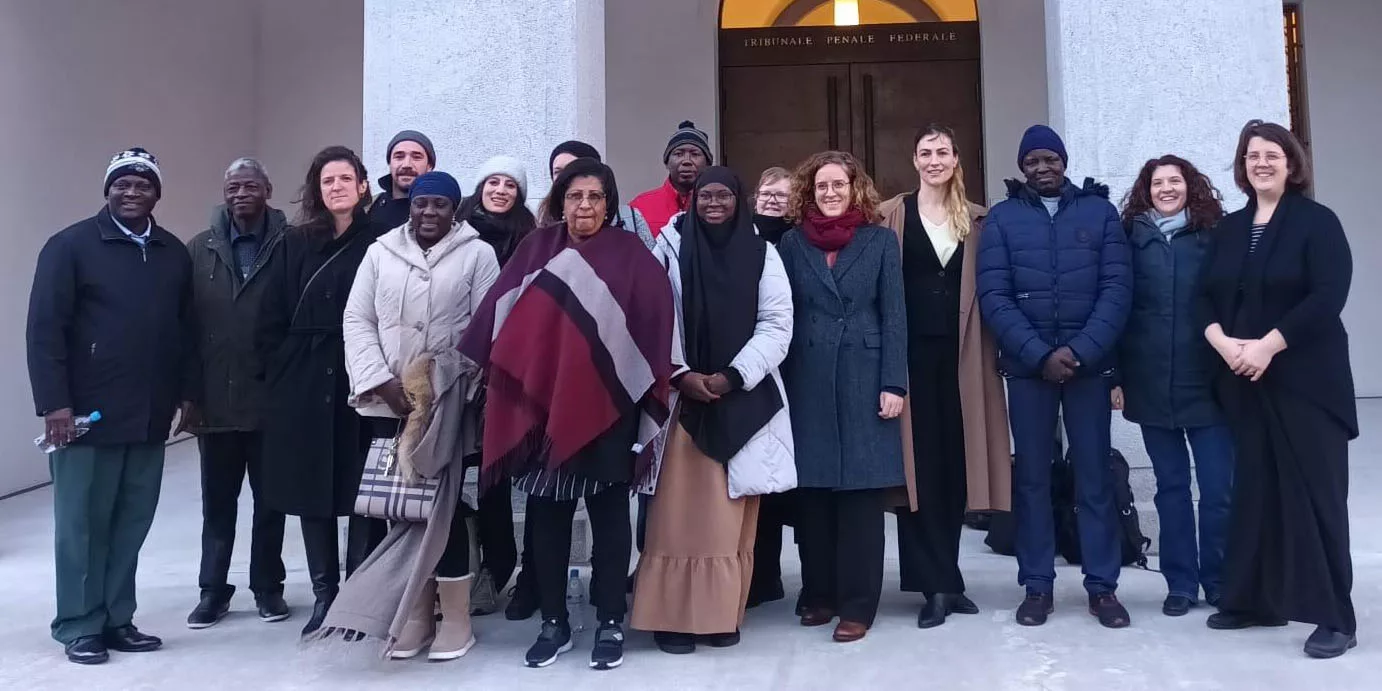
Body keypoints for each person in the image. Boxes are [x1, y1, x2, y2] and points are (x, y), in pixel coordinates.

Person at [458, 158, 673, 671]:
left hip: (609, 406)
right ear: (560, 201)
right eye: (575, 196)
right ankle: (552, 621)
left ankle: (611, 620)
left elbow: (654, 321)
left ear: (609, 203)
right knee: (547, 516)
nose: (585, 206)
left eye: (595, 197)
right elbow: (499, 316)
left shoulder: (631, 256)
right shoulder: (537, 249)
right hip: (539, 410)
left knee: (609, 516)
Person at [27, 147, 197, 665]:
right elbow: (44, 330)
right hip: (83, 418)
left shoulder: (172, 253)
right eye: (121, 183)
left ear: (157, 194)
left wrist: (186, 394)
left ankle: (117, 618)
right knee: (82, 522)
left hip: (147, 414)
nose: (131, 191)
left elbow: (185, 330)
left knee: (131, 520)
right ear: (107, 190)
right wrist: (55, 404)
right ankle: (79, 624)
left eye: (142, 184)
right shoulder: (70, 246)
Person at [1199, 120, 1358, 659]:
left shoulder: (1317, 223)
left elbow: (1328, 295)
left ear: (1292, 164)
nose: (1261, 163)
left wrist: (1268, 345)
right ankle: (1256, 600)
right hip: (1243, 380)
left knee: (1315, 498)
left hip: (1306, 381)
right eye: (1251, 156)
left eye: (1271, 155)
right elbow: (1207, 297)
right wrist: (1222, 342)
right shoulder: (1230, 227)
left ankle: (1335, 616)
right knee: (1257, 493)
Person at [331, 171, 499, 660]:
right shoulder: (381, 251)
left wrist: (451, 383)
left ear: (455, 210)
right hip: (390, 403)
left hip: (449, 404)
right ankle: (416, 614)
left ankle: (456, 618)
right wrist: (380, 379)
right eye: (421, 204)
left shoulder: (477, 253)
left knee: (445, 510)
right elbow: (356, 319)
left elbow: (488, 326)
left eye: (440, 206)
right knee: (399, 507)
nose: (428, 213)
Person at [632, 167, 796, 654]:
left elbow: (777, 324)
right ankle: (671, 620)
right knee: (677, 519)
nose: (714, 203)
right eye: (706, 195)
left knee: (727, 520)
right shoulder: (669, 247)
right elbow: (652, 316)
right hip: (682, 401)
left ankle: (721, 615)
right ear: (693, 200)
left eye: (724, 194)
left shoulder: (762, 254)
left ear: (739, 200)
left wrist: (733, 375)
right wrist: (682, 373)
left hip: (743, 398)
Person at [976, 124, 1132, 629]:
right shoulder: (1001, 220)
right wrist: (1039, 354)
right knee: (1034, 480)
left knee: (1094, 479)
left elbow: (1116, 289)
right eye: (1032, 162)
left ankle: (1102, 587)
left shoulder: (1099, 212)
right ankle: (1037, 584)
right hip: (1029, 371)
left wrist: (1081, 351)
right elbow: (993, 295)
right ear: (1022, 168)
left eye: (1051, 159)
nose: (1042, 168)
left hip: (1088, 369)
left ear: (1064, 161)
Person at [879, 125, 1011, 629]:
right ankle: (930, 586)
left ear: (957, 159)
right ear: (914, 161)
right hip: (908, 360)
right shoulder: (891, 215)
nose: (933, 160)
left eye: (942, 152)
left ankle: (949, 579)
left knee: (955, 469)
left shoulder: (979, 220)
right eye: (925, 153)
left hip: (963, 360)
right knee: (919, 473)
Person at [776, 151, 906, 643]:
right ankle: (819, 595)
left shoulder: (879, 241)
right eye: (822, 186)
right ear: (810, 192)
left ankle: (858, 604)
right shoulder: (791, 243)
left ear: (856, 190)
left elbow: (895, 314)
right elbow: (781, 312)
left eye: (839, 185)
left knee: (859, 500)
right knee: (814, 499)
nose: (831, 194)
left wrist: (895, 382)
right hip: (806, 377)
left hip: (864, 375)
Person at [256, 146, 384, 637]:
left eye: (345, 178)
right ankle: (325, 595)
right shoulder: (294, 242)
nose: (336, 187)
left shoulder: (382, 239)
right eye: (327, 180)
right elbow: (269, 319)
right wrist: (285, 371)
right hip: (304, 381)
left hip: (361, 378)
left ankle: (359, 597)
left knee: (361, 493)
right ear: (317, 188)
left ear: (363, 185)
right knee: (314, 492)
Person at [1111, 155, 1233, 617]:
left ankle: (1219, 579)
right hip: (1150, 381)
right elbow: (1119, 310)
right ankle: (1180, 583)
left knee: (1220, 490)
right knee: (1171, 489)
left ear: (1190, 186)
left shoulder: (1214, 232)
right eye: (1157, 182)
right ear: (1146, 190)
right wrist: (1117, 377)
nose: (1166, 188)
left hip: (1209, 383)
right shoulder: (1130, 237)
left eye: (1174, 181)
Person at [185, 158, 290, 629]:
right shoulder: (198, 250)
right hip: (217, 401)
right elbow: (183, 328)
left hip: (272, 401)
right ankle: (212, 591)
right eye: (233, 186)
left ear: (268, 189)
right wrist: (189, 394)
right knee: (218, 504)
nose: (240, 193)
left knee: (271, 503)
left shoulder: (291, 245)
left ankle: (268, 588)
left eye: (250, 185)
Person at [452, 155, 537, 615]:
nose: (500, 189)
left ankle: (498, 567)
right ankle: (450, 571)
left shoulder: (529, 241)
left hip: (505, 375)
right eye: (493, 181)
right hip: (456, 370)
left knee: (494, 477)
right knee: (449, 474)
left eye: (510, 184)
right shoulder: (455, 231)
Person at [744, 165, 797, 608]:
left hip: (794, 370)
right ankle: (754, 573)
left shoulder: (798, 242)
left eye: (783, 194)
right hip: (751, 368)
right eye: (766, 192)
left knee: (780, 483)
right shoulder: (743, 239)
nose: (773, 200)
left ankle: (771, 576)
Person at [540, 140, 656, 250]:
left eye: (572, 168)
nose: (564, 177)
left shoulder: (630, 218)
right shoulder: (544, 230)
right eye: (557, 172)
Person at [630, 121, 712, 237]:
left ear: (708, 163)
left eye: (695, 154)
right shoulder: (640, 207)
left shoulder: (717, 206)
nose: (686, 161)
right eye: (679, 154)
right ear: (667, 163)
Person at [368, 130, 436, 231]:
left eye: (416, 157)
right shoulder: (369, 207)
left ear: (429, 166)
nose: (406, 164)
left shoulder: (444, 209)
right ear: (390, 164)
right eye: (399, 157)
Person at [751, 166, 794, 245]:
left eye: (781, 195)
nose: (772, 201)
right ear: (756, 198)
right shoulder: (739, 235)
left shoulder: (800, 240)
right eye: (765, 194)